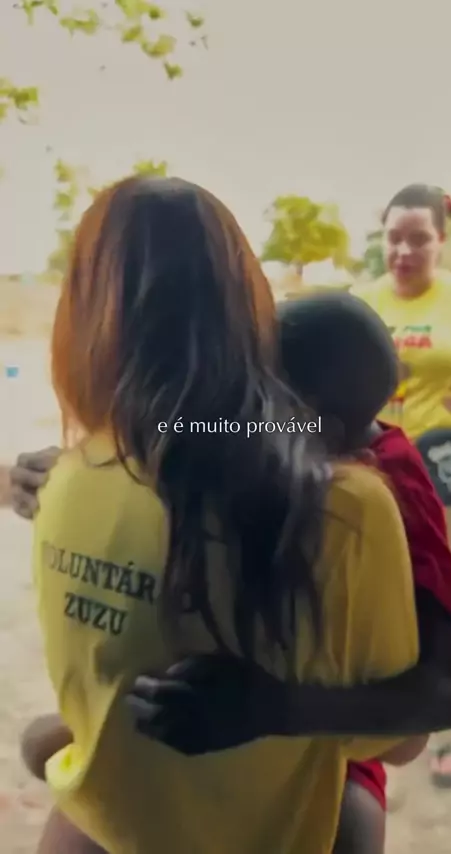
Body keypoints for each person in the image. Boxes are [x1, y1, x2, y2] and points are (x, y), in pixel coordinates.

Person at [18, 176, 425, 854]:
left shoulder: (60, 481)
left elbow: (88, 702)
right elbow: (399, 742)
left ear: (84, 309)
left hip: (107, 823)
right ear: (251, 306)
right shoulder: (348, 507)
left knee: (39, 740)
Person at [350, 183, 451, 788]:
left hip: (449, 475)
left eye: (419, 239)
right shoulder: (362, 301)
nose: (403, 251)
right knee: (376, 593)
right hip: (373, 474)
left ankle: (450, 729)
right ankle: (376, 716)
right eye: (394, 238)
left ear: (442, 240)